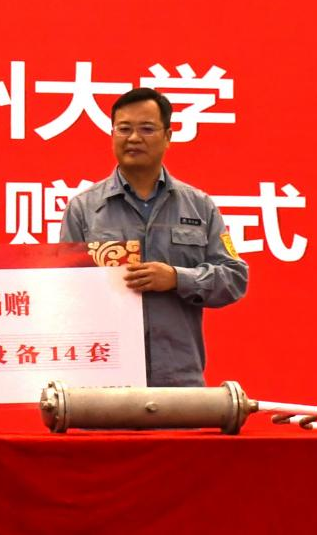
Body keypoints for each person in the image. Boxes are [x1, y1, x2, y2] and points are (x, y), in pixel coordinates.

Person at [61, 87, 248, 386]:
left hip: (179, 380)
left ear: (168, 136)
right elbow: (64, 291)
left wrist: (177, 278)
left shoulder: (200, 206)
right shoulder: (83, 209)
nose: (134, 138)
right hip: (107, 381)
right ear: (112, 134)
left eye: (147, 129)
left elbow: (234, 278)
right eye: (124, 129)